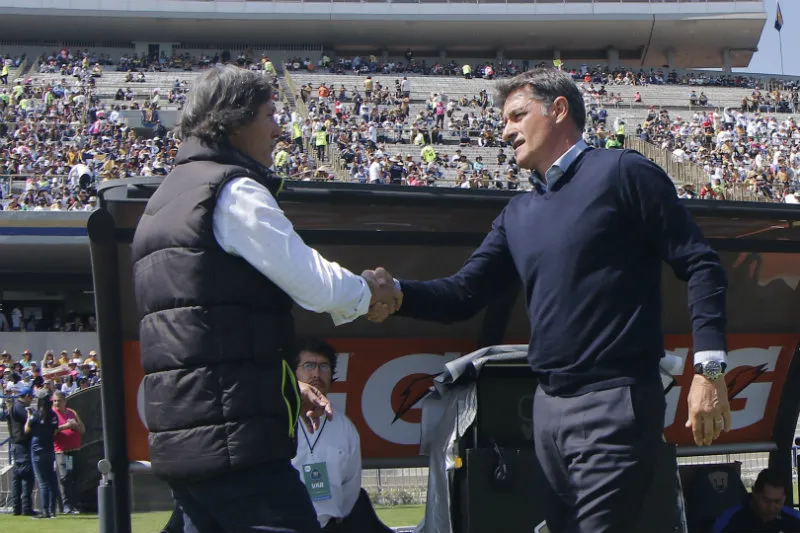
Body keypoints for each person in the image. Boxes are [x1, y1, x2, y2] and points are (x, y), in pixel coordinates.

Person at [365, 68, 731, 533]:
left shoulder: (623, 172)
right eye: (504, 121)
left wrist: (710, 369)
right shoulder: (517, 212)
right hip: (546, 410)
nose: (505, 131)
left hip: (615, 401)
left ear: (558, 110)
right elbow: (463, 293)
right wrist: (396, 293)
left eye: (517, 115)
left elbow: (702, 264)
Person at [131, 65, 397, 533]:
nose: (279, 129)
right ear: (234, 121)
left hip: (185, 442)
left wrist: (287, 392)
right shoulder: (231, 190)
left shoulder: (164, 200)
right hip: (237, 448)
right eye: (270, 114)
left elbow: (203, 339)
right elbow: (316, 285)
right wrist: (368, 293)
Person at [291, 338, 394, 533]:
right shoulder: (277, 419)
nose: (316, 374)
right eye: (309, 366)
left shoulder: (345, 427)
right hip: (286, 525)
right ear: (293, 373)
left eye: (324, 367)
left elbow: (350, 490)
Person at [712, 468, 800, 532]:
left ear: (785, 497)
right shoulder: (730, 521)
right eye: (766, 501)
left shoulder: (794, 519)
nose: (772, 507)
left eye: (778, 501)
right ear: (754, 492)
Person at [25, 388, 60, 518]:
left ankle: (45, 511)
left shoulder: (36, 415)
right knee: (51, 481)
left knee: (42, 482)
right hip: (49, 449)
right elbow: (56, 431)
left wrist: (29, 417)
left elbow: (27, 430)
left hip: (37, 450)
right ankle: (52, 510)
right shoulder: (53, 415)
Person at [52, 390, 85, 514]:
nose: (56, 403)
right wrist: (65, 426)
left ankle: (75, 504)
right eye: (55, 401)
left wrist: (75, 426)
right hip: (62, 451)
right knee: (65, 477)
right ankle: (65, 505)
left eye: (59, 400)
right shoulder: (52, 414)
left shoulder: (72, 413)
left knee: (73, 477)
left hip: (74, 451)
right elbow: (51, 432)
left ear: (64, 401)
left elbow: (83, 429)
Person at [6, 386, 36, 516]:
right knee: (26, 475)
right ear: (27, 396)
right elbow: (30, 421)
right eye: (31, 397)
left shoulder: (13, 407)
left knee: (17, 477)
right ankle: (26, 508)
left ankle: (17, 507)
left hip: (16, 444)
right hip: (22, 444)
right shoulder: (20, 407)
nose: (31, 400)